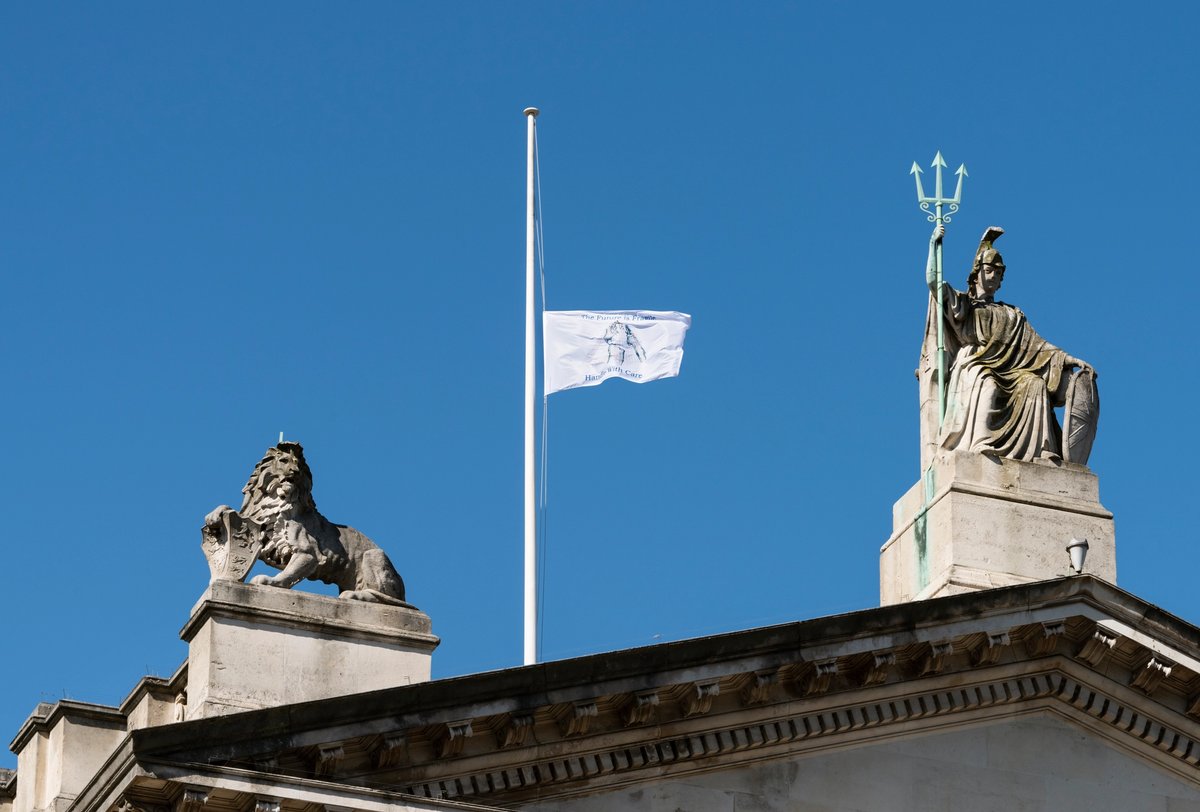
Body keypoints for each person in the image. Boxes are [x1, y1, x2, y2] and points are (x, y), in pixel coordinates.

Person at [924, 224, 1096, 462]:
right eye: (989, 270)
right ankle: (981, 442)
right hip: (977, 364)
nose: (993, 276)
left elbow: (1037, 346)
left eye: (998, 272)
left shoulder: (1012, 313)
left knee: (1035, 383)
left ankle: (1042, 449)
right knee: (987, 381)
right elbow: (933, 282)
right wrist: (934, 245)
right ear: (976, 273)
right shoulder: (965, 305)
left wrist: (1069, 359)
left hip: (1011, 370)